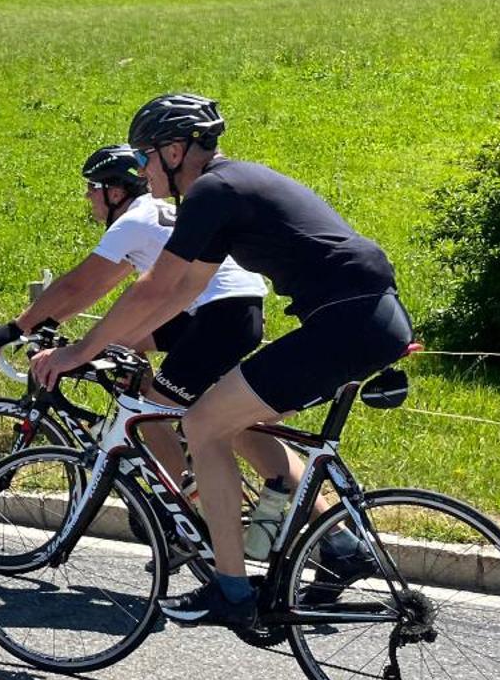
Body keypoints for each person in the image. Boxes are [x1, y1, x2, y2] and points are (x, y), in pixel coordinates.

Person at [30, 95, 411, 629]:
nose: (140, 170)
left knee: (202, 423)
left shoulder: (213, 191)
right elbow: (182, 291)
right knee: (229, 419)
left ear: (175, 149)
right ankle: (342, 546)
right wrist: (114, 343)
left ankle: (231, 590)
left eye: (144, 156)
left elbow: (154, 288)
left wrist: (78, 351)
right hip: (363, 319)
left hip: (346, 324)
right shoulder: (223, 190)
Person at [0, 145, 296, 496]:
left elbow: (78, 283)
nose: (87, 196)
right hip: (225, 310)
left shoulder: (133, 221)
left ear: (115, 192)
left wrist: (14, 329)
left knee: (150, 414)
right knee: (124, 349)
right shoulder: (155, 215)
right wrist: (47, 325)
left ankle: (185, 505)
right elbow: (95, 290)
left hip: (216, 314)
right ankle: (329, 531)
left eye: (92, 187)